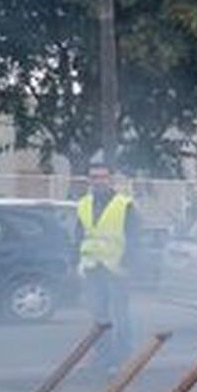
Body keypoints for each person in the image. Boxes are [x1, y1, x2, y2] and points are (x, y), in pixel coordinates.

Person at [75, 156, 139, 374]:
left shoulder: (124, 204)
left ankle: (123, 360)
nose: (99, 181)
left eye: (103, 177)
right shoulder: (84, 204)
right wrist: (77, 262)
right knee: (99, 316)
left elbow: (134, 237)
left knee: (120, 316)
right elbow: (79, 235)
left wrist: (128, 264)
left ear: (110, 180)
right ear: (88, 180)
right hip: (93, 267)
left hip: (116, 268)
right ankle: (103, 358)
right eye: (94, 177)